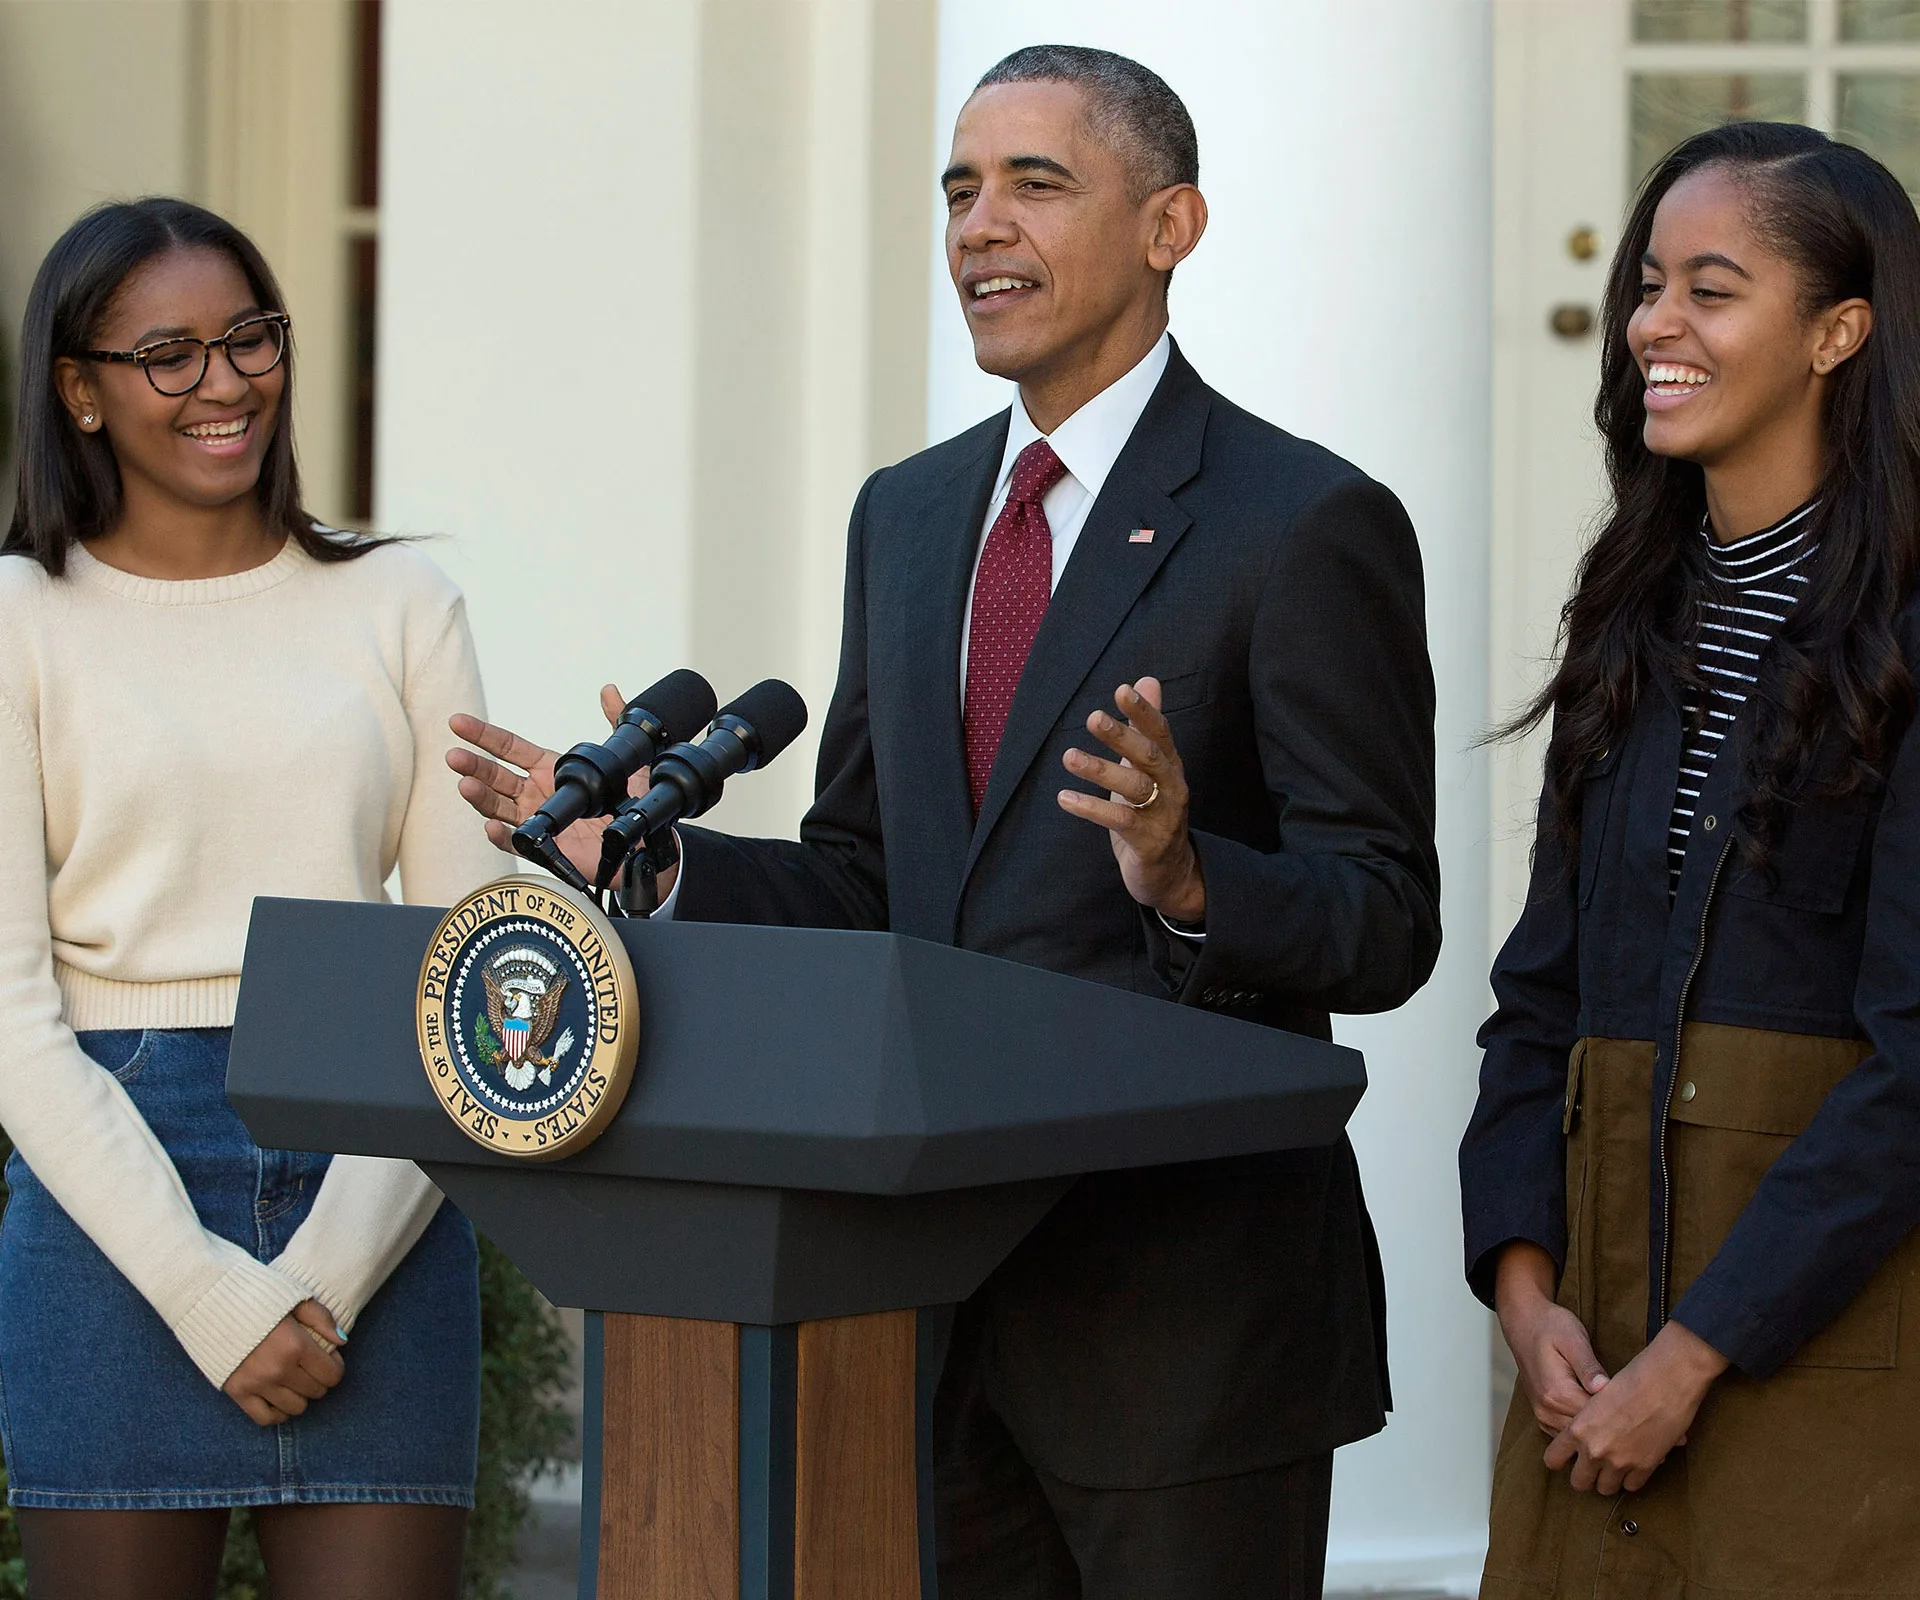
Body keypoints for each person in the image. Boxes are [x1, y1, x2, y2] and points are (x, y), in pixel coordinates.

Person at [452, 46, 1438, 1598]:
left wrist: (1189, 878)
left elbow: (1383, 914)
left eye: (1037, 184)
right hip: (918, 1308)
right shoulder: (907, 518)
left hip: (1181, 1336)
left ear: (1172, 224)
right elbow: (874, 879)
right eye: (959, 191)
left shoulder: (1301, 522)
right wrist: (644, 858)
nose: (980, 226)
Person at [0, 198, 501, 1600]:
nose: (224, 384)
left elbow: (468, 974)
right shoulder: (17, 623)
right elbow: (8, 1014)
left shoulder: (403, 602)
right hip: (113, 1196)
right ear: (80, 391)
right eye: (167, 353)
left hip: (380, 1170)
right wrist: (210, 1293)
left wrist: (326, 1280)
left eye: (248, 338)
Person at [1462, 121, 1920, 1596]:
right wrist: (1527, 1301)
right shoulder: (1631, 626)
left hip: (1820, 1360)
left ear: (1840, 330)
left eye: (1710, 289)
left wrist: (1696, 1356)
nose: (1652, 322)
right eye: (1650, 284)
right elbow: (1539, 1001)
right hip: (1589, 1357)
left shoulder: (1906, 645)